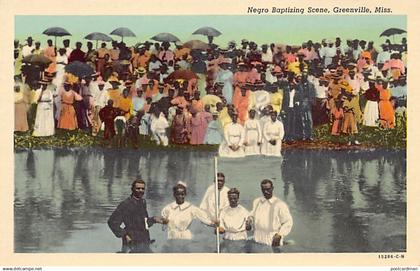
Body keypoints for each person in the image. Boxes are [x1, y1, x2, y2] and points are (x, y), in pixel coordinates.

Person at [108, 179, 166, 253]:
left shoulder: (143, 202)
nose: (140, 190)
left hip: (144, 241)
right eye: (138, 188)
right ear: (132, 189)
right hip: (131, 243)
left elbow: (143, 223)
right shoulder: (125, 204)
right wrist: (125, 235)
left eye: (142, 188)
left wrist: (154, 220)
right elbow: (112, 222)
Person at [247, 179, 293, 247]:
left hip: (272, 239)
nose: (266, 192)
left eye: (268, 189)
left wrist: (280, 234)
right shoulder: (257, 202)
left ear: (272, 188)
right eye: (263, 189)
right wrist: (249, 220)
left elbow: (288, 222)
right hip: (257, 237)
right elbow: (252, 214)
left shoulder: (280, 204)